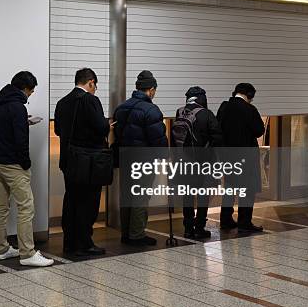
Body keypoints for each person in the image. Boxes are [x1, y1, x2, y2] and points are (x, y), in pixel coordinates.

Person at [0, 71, 54, 267]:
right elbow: (20, 140)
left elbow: (0, 127)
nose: (31, 94)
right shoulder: (17, 106)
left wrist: (23, 121)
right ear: (25, 88)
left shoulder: (0, 100)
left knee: (1, 206)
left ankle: (2, 249)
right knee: (26, 206)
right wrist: (25, 163)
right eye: (31, 91)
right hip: (13, 165)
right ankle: (27, 253)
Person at [54, 68, 110, 256]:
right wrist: (106, 124)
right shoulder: (90, 100)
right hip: (89, 162)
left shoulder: (62, 102)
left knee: (71, 200)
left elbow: (58, 131)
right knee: (88, 202)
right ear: (91, 82)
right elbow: (101, 128)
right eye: (95, 86)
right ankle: (84, 243)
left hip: (69, 160)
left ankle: (69, 243)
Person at [113, 70, 168, 246]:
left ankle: (126, 233)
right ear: (151, 89)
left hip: (125, 157)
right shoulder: (151, 110)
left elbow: (118, 134)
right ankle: (136, 234)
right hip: (144, 160)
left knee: (127, 195)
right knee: (140, 196)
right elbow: (158, 138)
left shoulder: (122, 108)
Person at [171, 86, 222, 239]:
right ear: (202, 98)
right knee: (202, 195)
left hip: (183, 163)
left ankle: (187, 227)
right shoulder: (206, 114)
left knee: (187, 195)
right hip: (203, 163)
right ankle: (199, 227)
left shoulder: (180, 112)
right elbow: (218, 138)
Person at [217, 82, 265, 232]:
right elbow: (259, 130)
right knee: (247, 190)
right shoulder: (249, 109)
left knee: (230, 188)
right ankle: (244, 223)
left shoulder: (224, 107)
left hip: (228, 157)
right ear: (249, 95)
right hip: (246, 158)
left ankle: (226, 220)